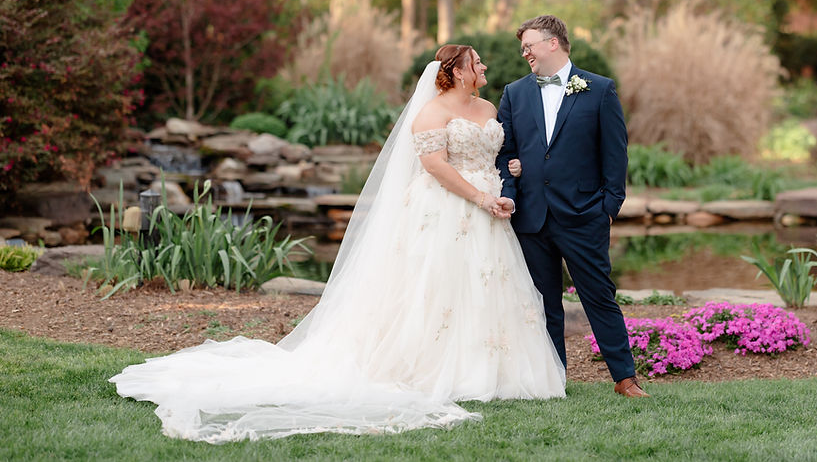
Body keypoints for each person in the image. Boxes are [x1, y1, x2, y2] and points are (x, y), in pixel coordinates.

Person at [110, 45, 565, 442]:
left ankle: (495, 370)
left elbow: (499, 153)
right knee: (439, 287)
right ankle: (435, 368)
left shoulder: (488, 108)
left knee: (486, 286)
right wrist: (481, 196)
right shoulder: (431, 113)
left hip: (491, 212)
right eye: (476, 61)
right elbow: (434, 167)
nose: (484, 65)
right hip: (447, 209)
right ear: (458, 70)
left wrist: (509, 179)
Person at [496, 14, 648, 398]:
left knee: (599, 296)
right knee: (543, 305)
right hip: (531, 218)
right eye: (522, 48)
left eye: (529, 45)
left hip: (584, 216)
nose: (524, 52)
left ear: (553, 43)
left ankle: (625, 378)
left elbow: (616, 154)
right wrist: (511, 194)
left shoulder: (599, 89)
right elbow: (505, 152)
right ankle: (554, 380)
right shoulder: (514, 93)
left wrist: (609, 207)